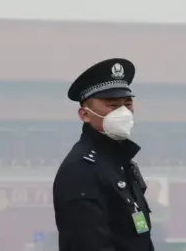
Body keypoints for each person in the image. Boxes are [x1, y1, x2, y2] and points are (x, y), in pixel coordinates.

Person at [53, 58, 154, 251]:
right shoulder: (80, 169)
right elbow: (89, 242)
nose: (124, 112)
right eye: (113, 105)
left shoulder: (123, 164)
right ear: (85, 114)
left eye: (127, 104)